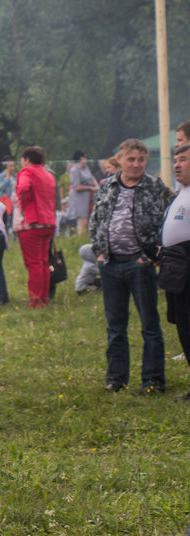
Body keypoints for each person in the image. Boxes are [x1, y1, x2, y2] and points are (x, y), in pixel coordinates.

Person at [89, 138, 170, 392]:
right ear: (120, 160)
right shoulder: (107, 187)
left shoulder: (156, 187)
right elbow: (96, 221)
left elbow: (170, 221)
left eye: (141, 160)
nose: (136, 165)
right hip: (111, 264)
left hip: (141, 264)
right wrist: (99, 252)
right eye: (131, 159)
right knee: (115, 326)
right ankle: (116, 379)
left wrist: (153, 254)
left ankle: (153, 380)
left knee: (150, 325)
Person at [159, 144, 190, 397]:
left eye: (184, 160)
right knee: (183, 325)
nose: (177, 164)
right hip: (176, 268)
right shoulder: (180, 194)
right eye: (176, 160)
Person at [16, 146, 58, 308]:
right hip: (48, 222)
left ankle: (35, 300)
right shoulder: (48, 175)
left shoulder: (27, 172)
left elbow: (24, 187)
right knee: (43, 262)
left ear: (26, 159)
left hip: (32, 223)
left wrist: (22, 202)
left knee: (33, 264)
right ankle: (44, 298)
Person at [68, 151, 98, 236]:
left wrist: (96, 186)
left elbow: (91, 178)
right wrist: (90, 188)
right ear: (81, 158)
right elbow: (76, 187)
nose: (86, 159)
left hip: (88, 197)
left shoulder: (85, 167)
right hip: (79, 198)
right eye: (85, 157)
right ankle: (80, 240)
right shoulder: (74, 170)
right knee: (82, 221)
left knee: (88, 221)